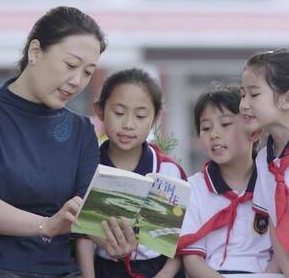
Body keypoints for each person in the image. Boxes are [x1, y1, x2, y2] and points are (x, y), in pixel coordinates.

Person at [0, 6, 137, 278]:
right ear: (35, 52)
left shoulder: (81, 130)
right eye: (71, 65)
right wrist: (46, 225)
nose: (76, 81)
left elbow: (86, 214)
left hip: (60, 271)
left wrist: (114, 240)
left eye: (87, 73)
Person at [76, 68, 187, 278]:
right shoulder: (88, 168)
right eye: (118, 113)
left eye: (140, 115)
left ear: (155, 118)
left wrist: (164, 275)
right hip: (105, 270)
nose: (128, 124)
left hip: (159, 270)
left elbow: (179, 239)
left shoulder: (168, 171)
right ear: (99, 111)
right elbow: (84, 235)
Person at [178, 84, 271, 276]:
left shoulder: (272, 185)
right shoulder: (192, 188)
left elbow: (281, 256)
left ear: (254, 132)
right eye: (205, 128)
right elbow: (192, 259)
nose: (214, 134)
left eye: (226, 124)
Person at [240, 49, 289, 275]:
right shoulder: (264, 160)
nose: (244, 105)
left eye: (254, 94)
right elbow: (275, 224)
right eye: (242, 95)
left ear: (286, 99)